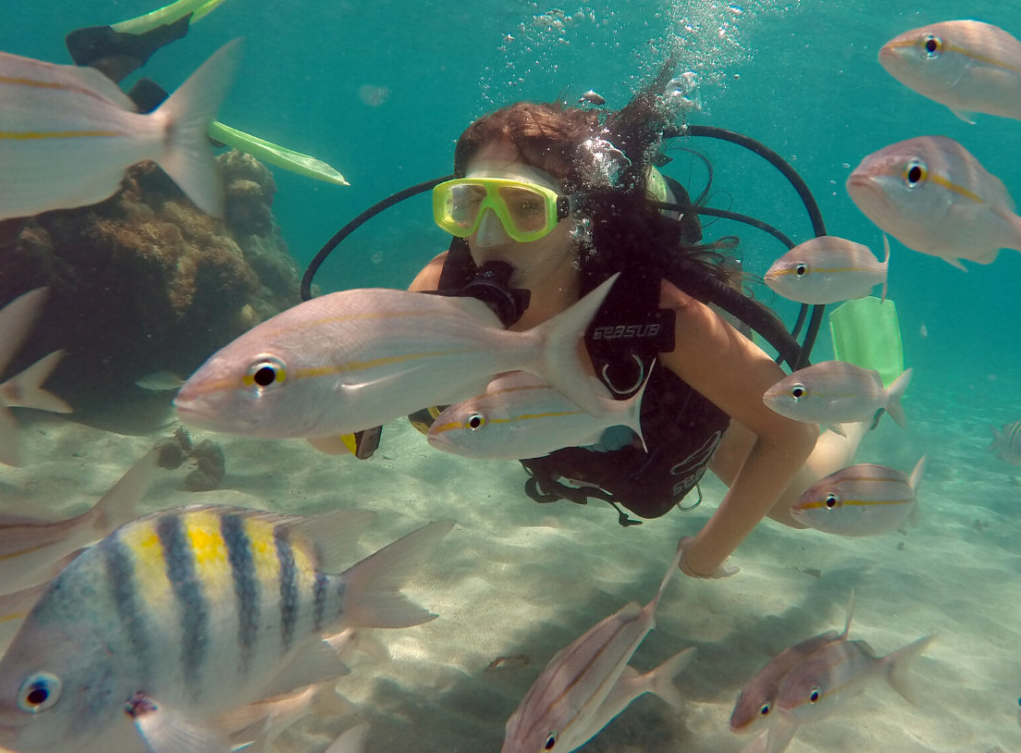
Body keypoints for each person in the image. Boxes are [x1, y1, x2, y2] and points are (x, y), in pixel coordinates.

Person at [312, 68, 821, 579]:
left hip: (696, 421)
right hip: (575, 443)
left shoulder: (655, 311)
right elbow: (340, 438)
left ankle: (856, 392)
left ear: (580, 215)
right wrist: (320, 386)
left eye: (526, 207)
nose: (488, 235)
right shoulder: (440, 292)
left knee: (804, 508)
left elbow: (792, 432)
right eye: (470, 203)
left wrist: (706, 555)